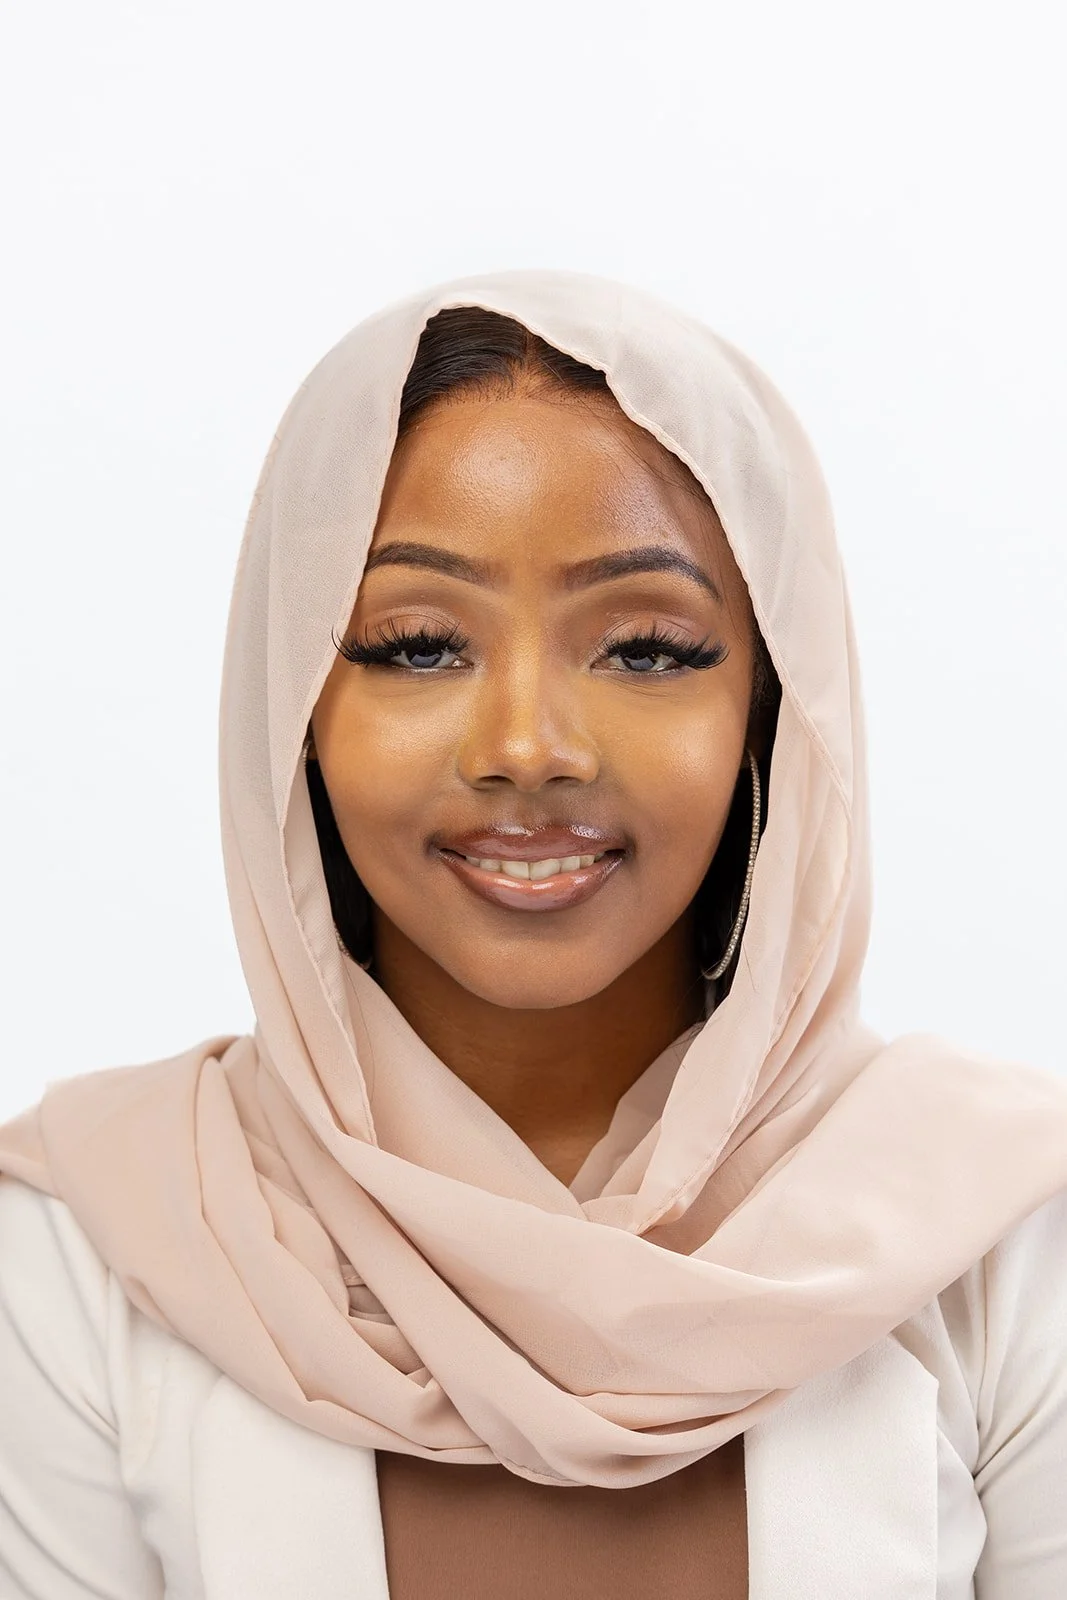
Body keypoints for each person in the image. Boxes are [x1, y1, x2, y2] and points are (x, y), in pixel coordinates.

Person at [1, 268, 1066, 1598]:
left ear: (770, 715)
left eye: (645, 649)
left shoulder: (1001, 1235)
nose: (525, 749)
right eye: (415, 644)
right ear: (292, 705)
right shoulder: (96, 1250)